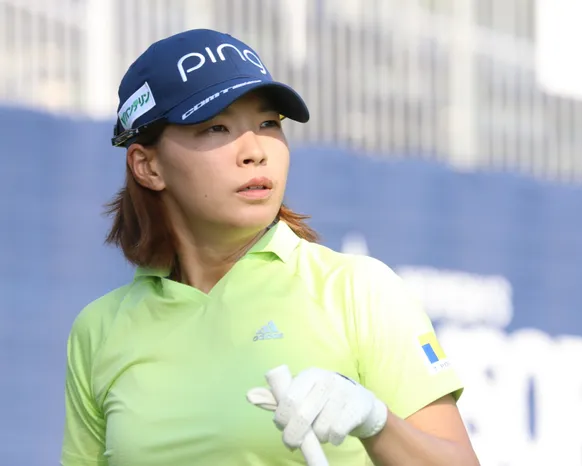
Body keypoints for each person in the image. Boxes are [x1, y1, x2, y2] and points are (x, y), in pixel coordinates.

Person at [61, 28, 480, 466]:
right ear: (147, 166)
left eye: (269, 124)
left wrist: (377, 422)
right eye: (216, 127)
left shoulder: (358, 290)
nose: (255, 151)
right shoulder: (98, 330)